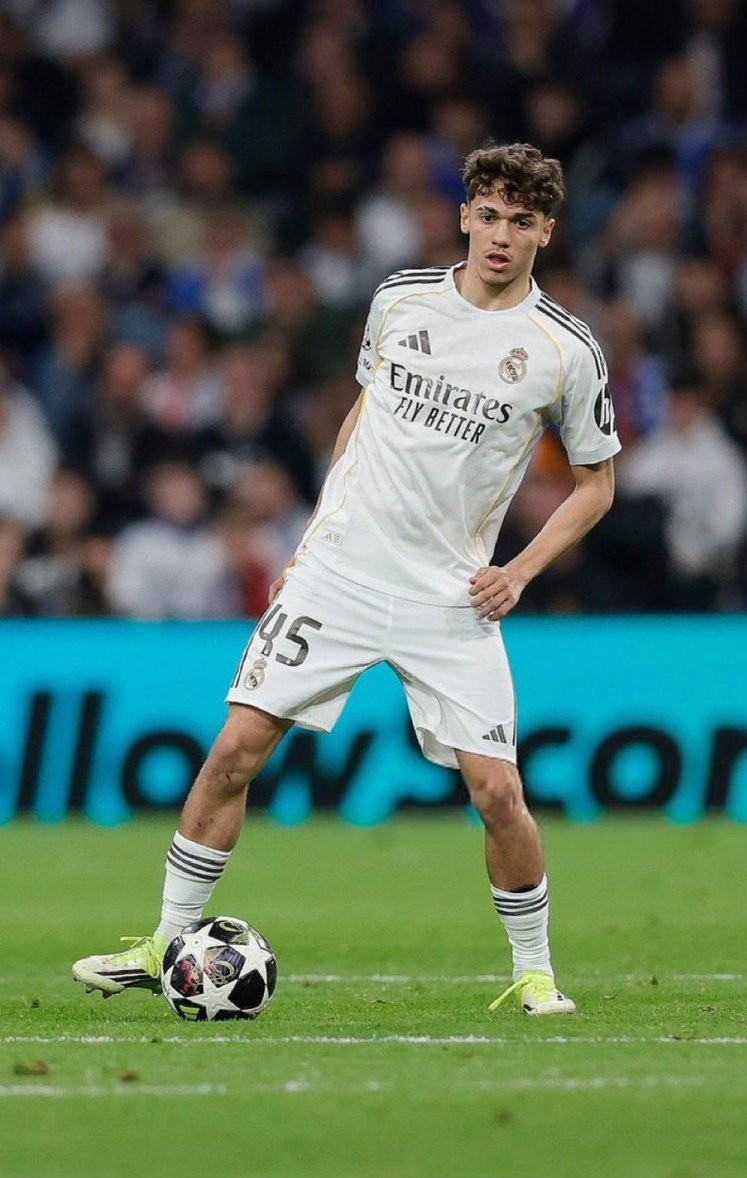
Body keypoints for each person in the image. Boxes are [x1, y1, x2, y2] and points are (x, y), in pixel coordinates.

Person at [72, 143, 620, 1017]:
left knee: (497, 792)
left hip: (451, 596)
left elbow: (596, 485)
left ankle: (534, 973)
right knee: (233, 752)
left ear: (545, 233)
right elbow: (365, 414)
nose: (500, 235)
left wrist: (518, 571)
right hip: (340, 575)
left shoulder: (565, 350)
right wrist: (316, 535)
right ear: (464, 216)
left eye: (521, 221)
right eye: (488, 214)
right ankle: (164, 940)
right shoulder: (399, 299)